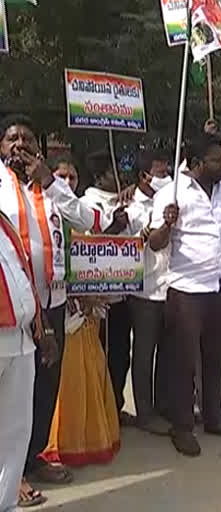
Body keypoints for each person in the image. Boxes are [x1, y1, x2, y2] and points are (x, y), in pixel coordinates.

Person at [0, 115, 103, 495]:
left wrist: (49, 181)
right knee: (9, 396)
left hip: (52, 301)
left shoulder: (50, 187)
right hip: (11, 309)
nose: (20, 145)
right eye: (12, 138)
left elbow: (91, 219)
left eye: (27, 138)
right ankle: (10, 473)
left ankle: (32, 456)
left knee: (44, 388)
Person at [149, 132, 221, 456]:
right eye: (216, 159)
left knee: (216, 360)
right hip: (187, 291)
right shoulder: (172, 192)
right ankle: (182, 426)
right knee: (184, 363)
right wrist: (168, 225)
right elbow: (155, 243)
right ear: (197, 163)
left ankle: (214, 417)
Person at [41, 161, 119, 469]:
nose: (67, 180)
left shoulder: (76, 211)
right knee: (63, 375)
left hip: (86, 302)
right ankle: (54, 442)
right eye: (61, 175)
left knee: (90, 367)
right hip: (57, 302)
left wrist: (91, 291)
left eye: (72, 175)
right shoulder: (34, 207)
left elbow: (94, 249)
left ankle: (86, 439)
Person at [0, 206, 57, 510]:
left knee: (16, 431)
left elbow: (24, 278)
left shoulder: (5, 224)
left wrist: (42, 327)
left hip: (22, 339)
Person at [80, 150, 134, 424]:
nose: (120, 177)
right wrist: (114, 228)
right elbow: (87, 246)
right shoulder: (87, 204)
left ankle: (116, 406)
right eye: (114, 172)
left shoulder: (124, 200)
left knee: (121, 355)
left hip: (123, 292)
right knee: (100, 356)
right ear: (100, 177)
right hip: (97, 298)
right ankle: (100, 413)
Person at [125, 150, 174, 435]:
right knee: (144, 353)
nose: (165, 177)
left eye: (168, 171)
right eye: (160, 172)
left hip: (172, 286)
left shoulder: (171, 200)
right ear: (144, 176)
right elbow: (122, 247)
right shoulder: (131, 207)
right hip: (145, 290)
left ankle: (164, 405)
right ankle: (145, 411)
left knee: (168, 352)